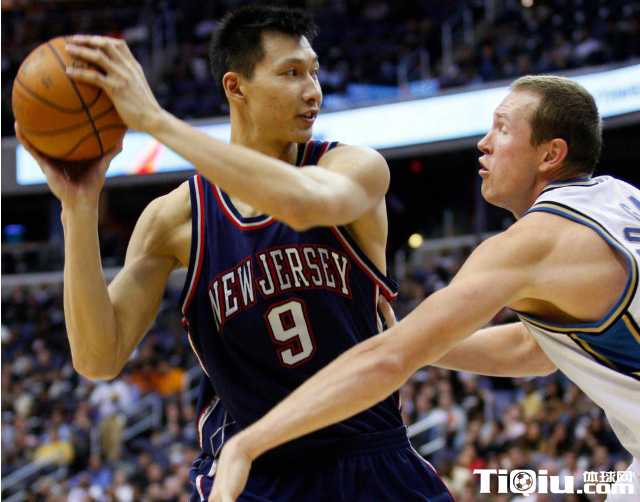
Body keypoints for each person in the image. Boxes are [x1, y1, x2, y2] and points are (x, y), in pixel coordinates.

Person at [15, 5, 454, 502]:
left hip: (371, 456)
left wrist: (156, 122)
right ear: (236, 87)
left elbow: (303, 204)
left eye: (314, 71)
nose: (313, 90)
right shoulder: (175, 219)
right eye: (291, 73)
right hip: (253, 476)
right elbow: (98, 357)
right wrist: (78, 208)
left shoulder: (354, 167)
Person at [210, 75, 640, 502]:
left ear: (551, 154)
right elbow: (534, 349)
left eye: (503, 129)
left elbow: (390, 361)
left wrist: (247, 444)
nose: (484, 143)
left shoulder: (533, 243)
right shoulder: (620, 198)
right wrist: (419, 341)